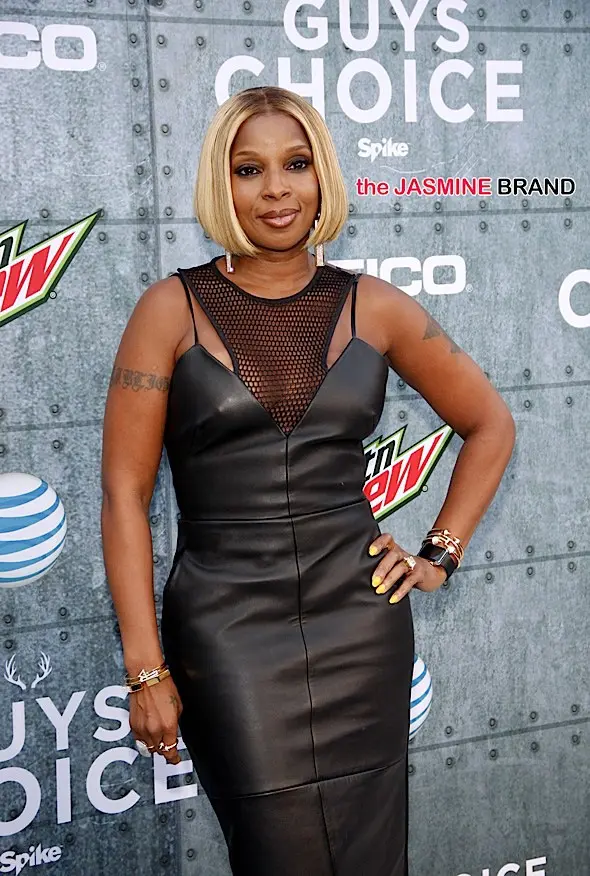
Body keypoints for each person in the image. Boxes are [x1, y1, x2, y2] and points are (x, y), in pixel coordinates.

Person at [101, 85, 515, 875]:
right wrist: (145, 670)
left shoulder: (375, 306)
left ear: (322, 176)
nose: (276, 189)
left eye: (296, 164)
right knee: (278, 850)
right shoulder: (169, 310)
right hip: (228, 632)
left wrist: (439, 553)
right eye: (248, 169)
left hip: (360, 623)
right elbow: (124, 495)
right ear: (221, 185)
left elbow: (490, 423)